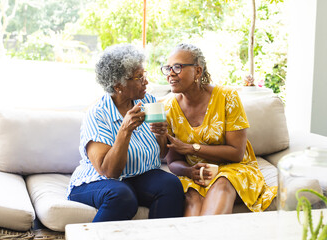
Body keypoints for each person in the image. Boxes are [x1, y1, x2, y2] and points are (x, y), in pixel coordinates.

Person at [66, 43, 185, 222]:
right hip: (97, 181)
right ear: (118, 85)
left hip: (138, 176)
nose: (145, 81)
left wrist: (161, 134)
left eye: (144, 75)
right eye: (138, 77)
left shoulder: (148, 102)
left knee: (171, 185)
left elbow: (161, 153)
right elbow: (109, 171)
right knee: (122, 196)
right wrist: (125, 130)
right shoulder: (98, 114)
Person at [160, 43, 277, 216]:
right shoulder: (167, 107)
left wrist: (192, 148)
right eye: (168, 68)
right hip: (195, 173)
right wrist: (189, 171)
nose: (170, 73)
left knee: (221, 184)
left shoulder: (227, 97)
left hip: (233, 169)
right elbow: (173, 161)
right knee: (192, 198)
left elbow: (236, 153)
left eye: (177, 67)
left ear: (198, 72)